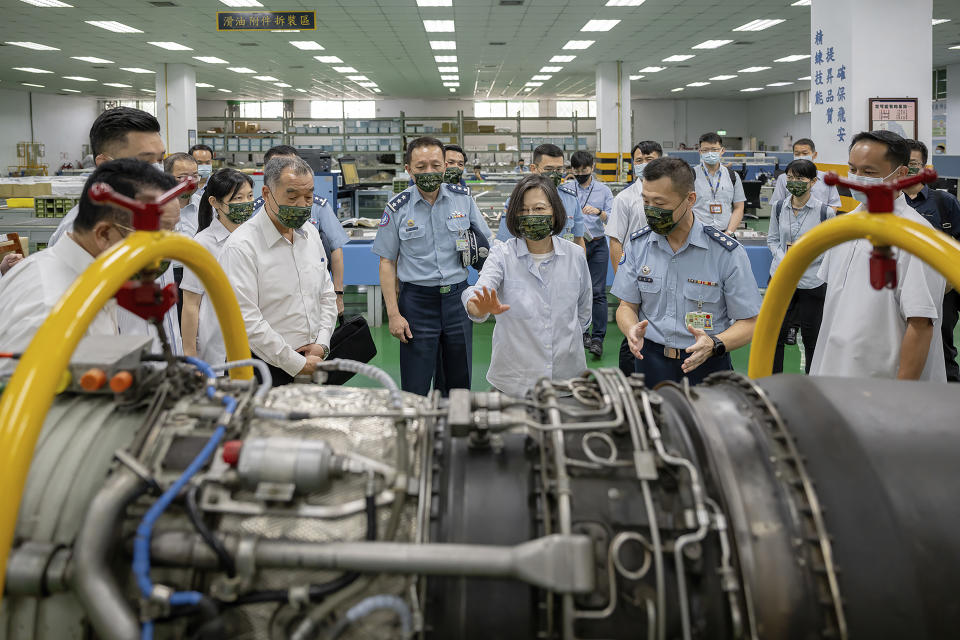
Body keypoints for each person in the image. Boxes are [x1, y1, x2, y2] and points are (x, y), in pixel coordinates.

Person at [0, 159, 176, 375]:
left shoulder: (80, 276)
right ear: (103, 234)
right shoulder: (52, 309)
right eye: (157, 236)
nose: (171, 248)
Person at [611, 157, 761, 387]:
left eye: (660, 204)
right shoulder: (637, 246)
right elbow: (626, 306)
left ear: (690, 199)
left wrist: (714, 343)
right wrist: (631, 328)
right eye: (646, 201)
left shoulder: (725, 253)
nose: (651, 210)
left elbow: (750, 322)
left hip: (707, 364)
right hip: (649, 362)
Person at [810, 130, 946, 381]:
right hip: (834, 370)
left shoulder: (915, 237)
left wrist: (897, 397)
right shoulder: (845, 227)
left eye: (869, 172)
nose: (858, 179)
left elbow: (921, 324)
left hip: (881, 383)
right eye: (853, 169)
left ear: (901, 174)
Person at [373, 136, 491, 396]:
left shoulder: (463, 199)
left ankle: (455, 431)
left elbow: (486, 246)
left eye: (436, 166)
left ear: (445, 167)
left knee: (458, 381)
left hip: (457, 300)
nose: (429, 172)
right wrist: (393, 314)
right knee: (415, 384)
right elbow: (386, 262)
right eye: (421, 166)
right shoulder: (397, 208)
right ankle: (417, 432)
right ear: (408, 169)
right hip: (416, 303)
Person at [462, 174, 591, 396]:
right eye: (523, 210)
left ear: (554, 212)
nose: (530, 216)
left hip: (567, 380)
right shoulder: (502, 254)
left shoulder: (575, 255)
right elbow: (477, 293)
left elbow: (583, 314)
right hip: (514, 382)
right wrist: (478, 307)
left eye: (539, 209)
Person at [219, 155, 337, 385]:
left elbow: (326, 294)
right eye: (292, 197)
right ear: (266, 194)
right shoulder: (242, 246)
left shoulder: (310, 234)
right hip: (261, 369)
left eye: (309, 196)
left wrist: (322, 344)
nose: (302, 204)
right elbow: (246, 320)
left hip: (314, 361)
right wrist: (295, 363)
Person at [48, 107, 165, 247]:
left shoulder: (145, 213)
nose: (157, 171)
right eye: (145, 162)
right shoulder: (83, 231)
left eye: (160, 160)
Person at [253, 145, 349, 313]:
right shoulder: (253, 213)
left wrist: (338, 294)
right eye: (277, 166)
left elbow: (335, 250)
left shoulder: (316, 210)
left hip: (310, 295)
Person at [767, 159, 835, 373]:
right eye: (790, 177)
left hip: (812, 281)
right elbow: (772, 239)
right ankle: (773, 381)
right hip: (781, 278)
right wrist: (784, 259)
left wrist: (802, 258)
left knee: (811, 337)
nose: (794, 182)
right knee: (775, 335)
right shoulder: (779, 207)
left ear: (813, 181)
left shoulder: (825, 213)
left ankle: (813, 382)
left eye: (800, 178)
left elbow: (829, 248)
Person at [180, 169, 254, 366]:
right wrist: (190, 353)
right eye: (237, 198)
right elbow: (190, 304)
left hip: (257, 343)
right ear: (214, 202)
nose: (246, 203)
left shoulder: (256, 238)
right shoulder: (202, 244)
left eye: (249, 196)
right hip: (218, 346)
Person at [903, 138, 960, 381]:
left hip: (941, 292)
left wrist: (948, 279)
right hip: (899, 288)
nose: (909, 169)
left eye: (914, 163)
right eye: (904, 163)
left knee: (943, 348)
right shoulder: (889, 204)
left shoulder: (944, 202)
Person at [608, 140, 663, 376]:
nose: (643, 164)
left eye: (650, 159)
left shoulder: (671, 195)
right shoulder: (625, 199)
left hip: (665, 271)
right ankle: (631, 384)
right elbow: (615, 241)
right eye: (639, 160)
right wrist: (622, 279)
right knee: (633, 327)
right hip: (637, 273)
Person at [496, 144, 585, 250]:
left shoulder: (571, 200)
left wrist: (581, 265)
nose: (554, 174)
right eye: (549, 169)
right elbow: (504, 243)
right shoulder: (518, 201)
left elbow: (578, 240)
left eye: (559, 169)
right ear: (534, 168)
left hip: (563, 263)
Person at [570, 150, 614, 358]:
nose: (581, 173)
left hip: (597, 245)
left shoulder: (604, 190)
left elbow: (612, 218)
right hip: (573, 245)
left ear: (592, 168)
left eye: (584, 170)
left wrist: (599, 212)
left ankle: (597, 339)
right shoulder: (566, 189)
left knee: (597, 292)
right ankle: (582, 333)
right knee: (576, 290)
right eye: (577, 170)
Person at [692, 132, 745, 234]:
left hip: (725, 233)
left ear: (722, 150)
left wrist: (729, 232)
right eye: (705, 150)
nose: (710, 153)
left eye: (714, 149)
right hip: (697, 234)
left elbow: (739, 207)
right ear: (700, 152)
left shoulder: (733, 176)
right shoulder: (690, 175)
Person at [770, 138, 842, 211]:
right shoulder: (783, 178)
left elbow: (834, 204)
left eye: (805, 153)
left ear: (814, 155)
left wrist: (825, 219)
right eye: (797, 154)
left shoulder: (827, 178)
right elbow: (777, 204)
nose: (801, 156)